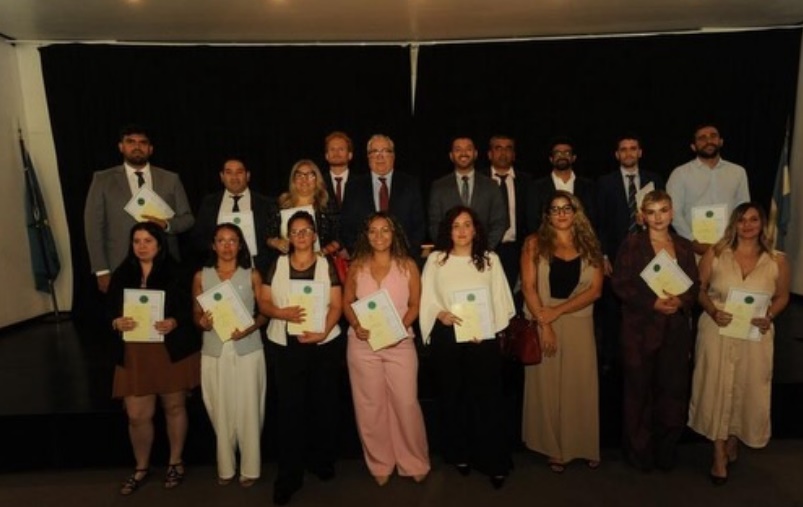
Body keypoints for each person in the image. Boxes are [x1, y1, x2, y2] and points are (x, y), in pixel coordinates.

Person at [688, 203, 790, 485]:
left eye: (754, 219)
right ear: (734, 223)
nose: (748, 225)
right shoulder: (717, 253)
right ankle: (718, 453)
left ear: (761, 224)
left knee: (745, 388)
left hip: (755, 336)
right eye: (742, 220)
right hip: (717, 331)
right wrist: (711, 310)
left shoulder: (777, 260)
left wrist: (769, 315)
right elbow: (699, 289)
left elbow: (782, 297)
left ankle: (733, 437)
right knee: (717, 389)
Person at [419, 205, 515, 489]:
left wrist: (486, 326)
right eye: (456, 226)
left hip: (481, 339)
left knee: (486, 400)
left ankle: (493, 461)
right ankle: (459, 453)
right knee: (453, 397)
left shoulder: (490, 260)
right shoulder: (436, 260)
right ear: (448, 231)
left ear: (476, 229)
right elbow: (427, 297)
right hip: (447, 338)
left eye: (467, 225)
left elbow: (501, 300)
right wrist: (440, 314)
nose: (461, 231)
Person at [106, 222, 201, 495]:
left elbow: (189, 310)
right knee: (137, 415)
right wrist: (115, 322)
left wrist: (174, 321)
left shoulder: (177, 272)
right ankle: (141, 466)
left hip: (169, 350)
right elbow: (106, 313)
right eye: (137, 241)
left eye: (148, 240)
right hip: (134, 353)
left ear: (160, 244)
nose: (142, 246)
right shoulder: (122, 274)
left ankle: (175, 461)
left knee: (174, 407)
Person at [258, 211, 343, 506]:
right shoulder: (277, 264)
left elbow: (337, 304)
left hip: (322, 345)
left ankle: (321, 461)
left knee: (323, 405)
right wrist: (281, 313)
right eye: (295, 232)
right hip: (285, 345)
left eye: (306, 231)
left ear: (315, 235)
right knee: (290, 411)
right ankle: (289, 476)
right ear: (288, 237)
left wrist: (324, 331)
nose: (301, 236)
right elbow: (264, 301)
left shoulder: (326, 264)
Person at [611, 190, 698, 472]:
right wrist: (652, 303)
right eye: (652, 211)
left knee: (672, 393)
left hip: (674, 332)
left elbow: (695, 287)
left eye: (663, 210)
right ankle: (639, 454)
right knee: (638, 394)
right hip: (639, 331)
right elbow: (621, 284)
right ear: (642, 216)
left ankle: (666, 451)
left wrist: (681, 301)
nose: (658, 217)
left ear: (672, 213)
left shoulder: (684, 247)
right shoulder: (632, 244)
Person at [342, 212, 430, 486]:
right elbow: (346, 303)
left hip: (400, 343)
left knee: (405, 403)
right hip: (362, 345)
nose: (379, 236)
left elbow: (415, 304)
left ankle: (413, 460)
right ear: (366, 236)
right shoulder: (356, 266)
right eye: (373, 231)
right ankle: (380, 462)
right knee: (370, 406)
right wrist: (356, 325)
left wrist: (399, 329)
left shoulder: (408, 266)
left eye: (385, 230)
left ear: (394, 234)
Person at [520, 190, 603, 472]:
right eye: (555, 209)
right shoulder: (533, 243)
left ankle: (584, 445)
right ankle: (552, 447)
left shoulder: (590, 244)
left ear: (575, 211)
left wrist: (559, 312)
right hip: (543, 318)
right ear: (547, 215)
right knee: (548, 388)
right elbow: (529, 289)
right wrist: (546, 324)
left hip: (579, 320)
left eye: (566, 208)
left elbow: (595, 290)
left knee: (581, 385)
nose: (561, 214)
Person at [192, 223, 268, 487]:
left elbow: (264, 313)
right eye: (221, 241)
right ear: (213, 245)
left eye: (232, 240)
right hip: (215, 349)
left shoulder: (252, 275)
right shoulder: (201, 276)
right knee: (219, 407)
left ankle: (250, 467)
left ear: (240, 245)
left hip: (248, 349)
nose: (227, 246)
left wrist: (250, 327)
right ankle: (225, 466)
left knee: (249, 407)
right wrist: (201, 322)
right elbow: (196, 313)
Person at [84, 124, 195, 293]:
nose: (137, 146)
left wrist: (166, 225)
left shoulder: (170, 179)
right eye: (131, 142)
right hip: (120, 264)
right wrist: (101, 270)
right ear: (121, 147)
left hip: (164, 263)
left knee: (166, 315)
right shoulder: (102, 180)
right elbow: (93, 228)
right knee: (127, 317)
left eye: (143, 143)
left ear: (150, 149)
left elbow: (188, 219)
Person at [596, 134, 666, 371]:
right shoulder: (605, 183)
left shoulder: (654, 180)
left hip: (647, 253)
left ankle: (645, 354)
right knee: (612, 308)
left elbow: (663, 217)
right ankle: (610, 359)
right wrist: (603, 255)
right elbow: (600, 223)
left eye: (632, 148)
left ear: (640, 152)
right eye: (623, 149)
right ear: (617, 155)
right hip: (615, 255)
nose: (628, 153)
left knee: (644, 303)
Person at [666, 123, 750, 256]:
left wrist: (734, 240)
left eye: (713, 136)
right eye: (702, 138)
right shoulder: (680, 174)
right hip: (693, 251)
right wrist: (692, 242)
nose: (708, 141)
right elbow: (673, 212)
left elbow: (743, 211)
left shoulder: (738, 172)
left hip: (730, 248)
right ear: (693, 146)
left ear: (721, 141)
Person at [341, 134, 426, 258]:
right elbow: (346, 227)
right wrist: (361, 256)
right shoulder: (353, 187)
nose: (380, 156)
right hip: (364, 260)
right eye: (374, 152)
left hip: (403, 259)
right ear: (368, 157)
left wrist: (406, 256)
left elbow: (419, 227)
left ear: (393, 156)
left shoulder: (410, 184)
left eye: (385, 151)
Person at [192, 157, 273, 272]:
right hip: (218, 271)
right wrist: (218, 246)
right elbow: (198, 238)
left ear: (248, 175)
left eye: (239, 172)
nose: (234, 177)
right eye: (229, 172)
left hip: (258, 271)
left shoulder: (266, 204)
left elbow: (272, 238)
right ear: (222, 177)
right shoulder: (209, 203)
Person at [428, 137, 508, 250]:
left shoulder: (491, 186)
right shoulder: (439, 187)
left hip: (484, 255)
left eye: (468, 149)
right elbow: (435, 225)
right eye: (458, 149)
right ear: (451, 156)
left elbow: (499, 222)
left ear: (475, 154)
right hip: (450, 256)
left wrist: (484, 250)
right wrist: (449, 250)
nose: (463, 153)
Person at [266, 160, 341, 264]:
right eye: (299, 175)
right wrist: (276, 243)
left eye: (310, 175)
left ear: (317, 179)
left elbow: (339, 237)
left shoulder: (327, 205)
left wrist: (321, 253)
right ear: (293, 180)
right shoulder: (280, 204)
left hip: (322, 263)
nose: (304, 180)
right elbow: (267, 236)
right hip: (287, 264)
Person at [487, 134, 532, 293]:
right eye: (498, 148)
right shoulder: (479, 180)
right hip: (487, 248)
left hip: (517, 249)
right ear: (490, 154)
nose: (503, 153)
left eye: (508, 148)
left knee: (516, 298)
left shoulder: (528, 182)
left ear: (514, 155)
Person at [525, 136, 596, 233]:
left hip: (582, 242)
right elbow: (533, 220)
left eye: (567, 153)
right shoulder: (537, 187)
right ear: (551, 159)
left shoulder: (589, 186)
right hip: (547, 242)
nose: (562, 156)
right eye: (557, 153)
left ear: (573, 158)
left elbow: (594, 218)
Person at [322, 131, 355, 209]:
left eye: (341, 149)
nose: (336, 153)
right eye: (332, 149)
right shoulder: (319, 183)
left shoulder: (361, 183)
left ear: (350, 155)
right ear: (326, 155)